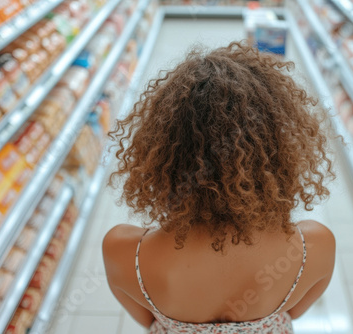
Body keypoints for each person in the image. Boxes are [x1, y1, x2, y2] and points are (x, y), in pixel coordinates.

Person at [102, 41, 336, 333]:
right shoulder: (314, 247)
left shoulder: (124, 251)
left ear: (162, 157)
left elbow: (145, 319)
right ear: (276, 154)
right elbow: (295, 311)